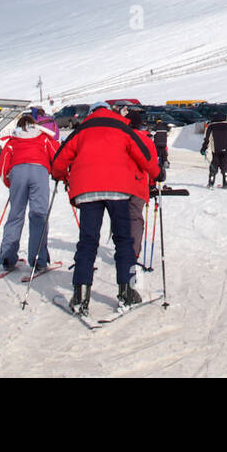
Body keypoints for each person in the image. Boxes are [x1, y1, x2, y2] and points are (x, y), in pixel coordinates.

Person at [52, 102, 160, 315]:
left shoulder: (81, 130)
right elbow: (143, 155)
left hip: (87, 191)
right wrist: (155, 173)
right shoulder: (122, 128)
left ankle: (81, 296)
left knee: (88, 241)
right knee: (123, 241)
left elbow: (59, 161)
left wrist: (59, 175)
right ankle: (127, 291)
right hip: (118, 190)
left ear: (90, 114)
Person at [0, 113, 59, 274]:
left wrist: (9, 184)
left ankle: (7, 258)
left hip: (18, 172)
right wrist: (61, 174)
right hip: (39, 170)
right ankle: (39, 260)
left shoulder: (12, 140)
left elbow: (2, 165)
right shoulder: (43, 137)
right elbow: (57, 155)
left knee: (16, 214)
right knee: (39, 215)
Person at [122, 106, 159, 267]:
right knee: (135, 218)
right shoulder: (146, 139)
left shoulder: (120, 137)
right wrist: (152, 183)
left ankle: (123, 250)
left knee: (121, 219)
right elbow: (151, 164)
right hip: (139, 184)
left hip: (119, 184)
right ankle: (133, 253)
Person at [201, 111, 227, 189]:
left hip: (216, 149)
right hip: (226, 149)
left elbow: (207, 139)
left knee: (214, 163)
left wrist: (203, 149)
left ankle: (211, 182)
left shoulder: (211, 126)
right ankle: (226, 181)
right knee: (225, 163)